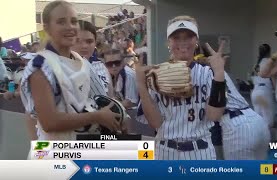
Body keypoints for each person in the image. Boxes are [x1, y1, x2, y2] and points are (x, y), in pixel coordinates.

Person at [20, 0, 121, 141]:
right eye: (61, 22)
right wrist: (97, 116)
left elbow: (100, 101)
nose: (70, 27)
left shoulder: (81, 61)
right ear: (47, 28)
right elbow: (49, 122)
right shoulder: (41, 66)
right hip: (56, 154)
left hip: (86, 149)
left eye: (74, 21)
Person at [136, 15, 227, 160]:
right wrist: (141, 84)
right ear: (168, 42)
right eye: (176, 37)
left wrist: (219, 73)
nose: (182, 42)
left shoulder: (207, 73)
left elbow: (214, 116)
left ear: (196, 41)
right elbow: (155, 123)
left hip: (200, 151)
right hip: (166, 151)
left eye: (189, 36)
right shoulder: (155, 74)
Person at [72, 20, 113, 96]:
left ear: (95, 43)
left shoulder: (101, 66)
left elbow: (111, 98)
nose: (84, 46)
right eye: (77, 41)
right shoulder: (59, 69)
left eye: (89, 41)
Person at [250, 44, 275, 128]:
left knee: (258, 119)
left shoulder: (256, 64)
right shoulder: (269, 62)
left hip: (255, 91)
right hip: (264, 91)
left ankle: (259, 139)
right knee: (268, 120)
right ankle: (266, 140)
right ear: (269, 52)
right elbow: (273, 77)